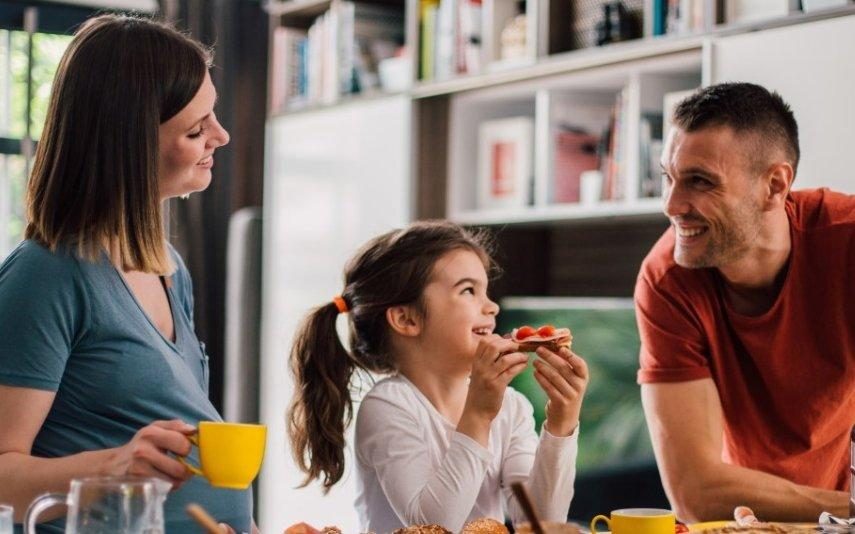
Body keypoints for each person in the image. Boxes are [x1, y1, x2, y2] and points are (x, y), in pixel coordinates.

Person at [0, 14, 254, 533]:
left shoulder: (166, 267)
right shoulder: (45, 277)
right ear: (131, 143)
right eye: (196, 128)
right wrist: (113, 466)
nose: (222, 137)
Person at [635, 82, 854, 523]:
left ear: (775, 184)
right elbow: (695, 492)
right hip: (743, 523)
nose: (672, 205)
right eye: (668, 178)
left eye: (699, 181)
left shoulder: (846, 242)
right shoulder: (666, 282)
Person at [287, 221, 589, 533]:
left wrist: (560, 424)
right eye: (469, 290)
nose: (492, 307)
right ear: (407, 319)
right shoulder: (389, 406)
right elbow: (431, 526)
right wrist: (479, 414)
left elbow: (539, 522)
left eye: (487, 291)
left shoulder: (511, 407)